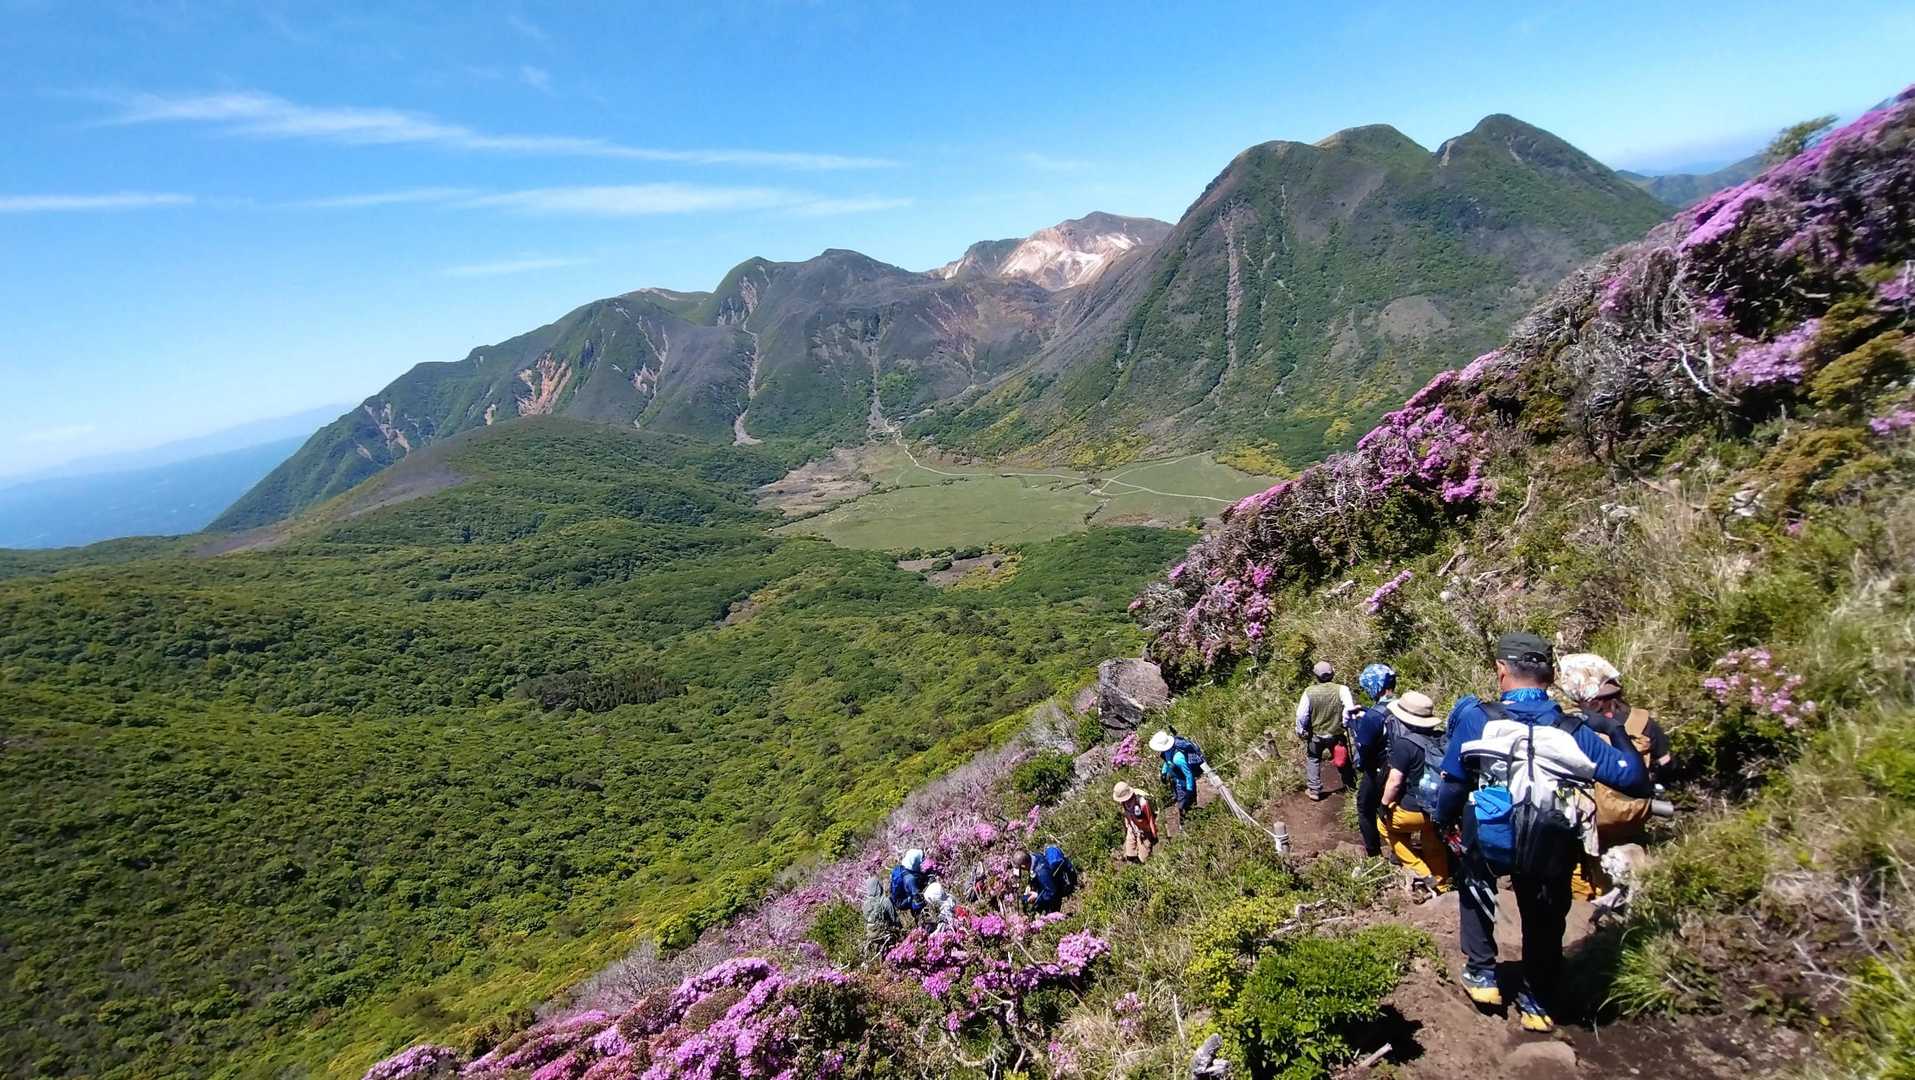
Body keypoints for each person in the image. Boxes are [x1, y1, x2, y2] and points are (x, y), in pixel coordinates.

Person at [1433, 631, 1651, 1033]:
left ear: (1501, 670)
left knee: (1476, 881)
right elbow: (1634, 780)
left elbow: (1454, 781)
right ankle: (1535, 998)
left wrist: (1443, 819)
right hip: (1551, 835)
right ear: (1549, 676)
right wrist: (1614, 730)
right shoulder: (1572, 729)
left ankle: (1482, 974)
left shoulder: (1478, 718)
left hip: (1492, 826)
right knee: (1546, 912)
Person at [1557, 653, 1672, 897]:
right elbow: (1667, 765)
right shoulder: (1643, 722)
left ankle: (1588, 907)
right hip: (1633, 820)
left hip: (1587, 825)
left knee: (1583, 882)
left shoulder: (1571, 725)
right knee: (1635, 882)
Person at [1377, 690, 1451, 898]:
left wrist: (1384, 805)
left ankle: (1421, 871)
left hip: (1412, 811)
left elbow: (1394, 782)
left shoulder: (1405, 744)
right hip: (1439, 808)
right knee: (1432, 842)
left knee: (1384, 826)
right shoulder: (1442, 739)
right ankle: (1442, 885)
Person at [1348, 663, 1398, 857]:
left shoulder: (1372, 717)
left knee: (1365, 806)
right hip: (1404, 764)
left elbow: (1364, 746)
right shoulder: (1403, 704)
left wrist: (1354, 724)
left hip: (1379, 768)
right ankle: (1399, 848)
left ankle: (1374, 851)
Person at [1295, 661, 1357, 800]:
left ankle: (1314, 790)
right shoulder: (1342, 689)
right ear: (1332, 674)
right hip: (1336, 732)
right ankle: (1350, 785)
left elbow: (1301, 715)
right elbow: (1349, 708)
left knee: (1313, 759)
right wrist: (1345, 724)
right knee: (1343, 758)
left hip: (1316, 734)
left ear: (1316, 676)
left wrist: (1301, 730)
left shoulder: (1309, 692)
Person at [1149, 729, 1206, 823]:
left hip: (1185, 784)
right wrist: (1164, 772)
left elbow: (1189, 775)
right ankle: (1190, 821)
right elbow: (1168, 761)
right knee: (1183, 803)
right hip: (1177, 781)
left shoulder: (1178, 758)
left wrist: (1189, 790)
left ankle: (1189, 824)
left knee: (1184, 805)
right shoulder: (1168, 751)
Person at [1113, 781, 1159, 863]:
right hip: (1132, 827)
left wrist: (1154, 835)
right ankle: (1131, 858)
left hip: (1143, 830)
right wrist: (1127, 824)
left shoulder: (1142, 803)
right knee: (1129, 853)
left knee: (1144, 859)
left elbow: (1150, 819)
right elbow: (1126, 813)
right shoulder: (1124, 803)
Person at [1025, 845, 1078, 913]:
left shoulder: (1042, 872)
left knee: (1049, 909)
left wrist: (1037, 896)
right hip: (1053, 881)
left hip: (1061, 888)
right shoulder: (1034, 857)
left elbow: (1051, 892)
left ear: (1024, 865)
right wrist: (1030, 885)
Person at [889, 848, 930, 920]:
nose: (922, 861)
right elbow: (918, 902)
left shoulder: (905, 867)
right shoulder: (910, 880)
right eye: (920, 860)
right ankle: (920, 920)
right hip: (904, 901)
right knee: (917, 904)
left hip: (904, 895)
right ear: (915, 861)